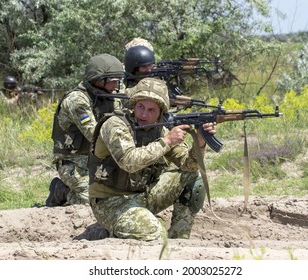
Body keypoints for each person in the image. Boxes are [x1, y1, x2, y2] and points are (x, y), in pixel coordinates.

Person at [88, 77, 216, 240]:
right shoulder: (115, 124)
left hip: (142, 195)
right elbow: (129, 162)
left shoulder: (159, 130)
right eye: (141, 107)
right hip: (111, 202)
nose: (143, 114)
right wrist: (167, 141)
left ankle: (179, 239)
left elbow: (188, 165)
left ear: (160, 113)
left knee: (192, 179)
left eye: (151, 110)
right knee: (155, 233)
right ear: (133, 105)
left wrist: (200, 142)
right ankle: (109, 230)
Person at [46, 54, 124, 207]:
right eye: (113, 81)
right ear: (99, 80)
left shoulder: (109, 96)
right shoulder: (77, 100)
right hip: (74, 163)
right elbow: (94, 134)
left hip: (98, 161)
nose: (116, 85)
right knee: (92, 202)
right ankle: (61, 190)